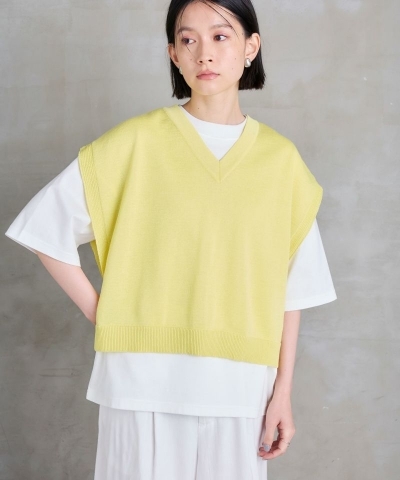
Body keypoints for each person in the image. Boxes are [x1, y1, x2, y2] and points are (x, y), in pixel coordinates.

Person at [4, 0, 337, 479]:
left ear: (251, 47)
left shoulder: (282, 163)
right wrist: (106, 313)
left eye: (220, 36)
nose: (204, 53)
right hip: (139, 382)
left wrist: (282, 391)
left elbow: (294, 291)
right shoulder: (135, 143)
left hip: (241, 388)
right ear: (173, 55)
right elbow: (43, 228)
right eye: (188, 39)